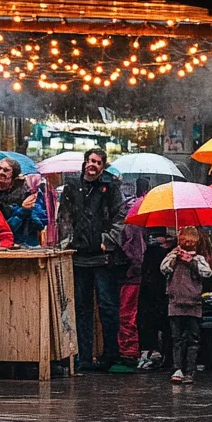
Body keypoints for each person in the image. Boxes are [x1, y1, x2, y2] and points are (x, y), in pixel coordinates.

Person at [57, 147, 127, 372]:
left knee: (107, 307)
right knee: (82, 308)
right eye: (90, 160)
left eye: (97, 162)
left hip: (103, 255)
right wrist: (66, 242)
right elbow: (64, 217)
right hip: (79, 255)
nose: (92, 165)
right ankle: (84, 357)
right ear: (84, 162)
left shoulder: (111, 187)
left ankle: (110, 355)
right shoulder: (71, 187)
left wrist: (107, 240)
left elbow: (120, 216)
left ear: (102, 165)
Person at [161, 225, 212, 384]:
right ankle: (177, 368)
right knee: (177, 339)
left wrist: (192, 262)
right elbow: (163, 269)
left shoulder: (199, 259)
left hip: (194, 304)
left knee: (193, 340)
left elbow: (207, 273)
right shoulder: (172, 256)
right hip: (175, 303)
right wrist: (174, 258)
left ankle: (190, 370)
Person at [113, 176, 150, 372]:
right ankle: (133, 350)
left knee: (127, 313)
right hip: (140, 272)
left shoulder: (132, 211)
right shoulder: (145, 208)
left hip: (131, 273)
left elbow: (133, 246)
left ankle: (129, 352)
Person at [0, 157, 48, 247]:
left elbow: (40, 224)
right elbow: (0, 229)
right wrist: (22, 211)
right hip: (0, 245)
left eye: (6, 170)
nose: (1, 173)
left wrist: (28, 210)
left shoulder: (28, 192)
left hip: (27, 245)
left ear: (14, 175)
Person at [137, 228, 174, 369]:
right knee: (158, 322)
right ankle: (159, 354)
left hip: (158, 288)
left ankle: (160, 354)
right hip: (155, 288)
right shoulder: (154, 250)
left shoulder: (154, 249)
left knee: (161, 323)